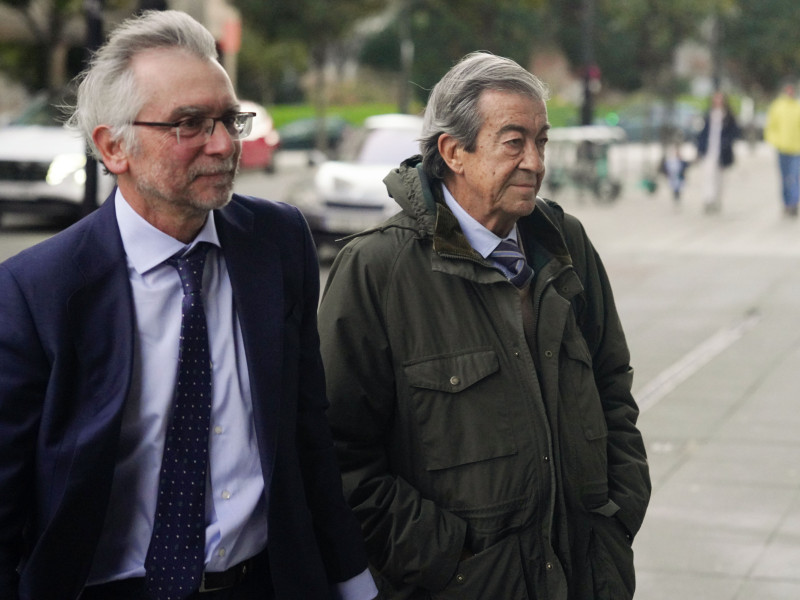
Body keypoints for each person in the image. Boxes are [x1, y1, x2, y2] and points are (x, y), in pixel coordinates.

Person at [0, 10, 377, 600]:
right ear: (113, 147)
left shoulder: (278, 242)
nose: (224, 143)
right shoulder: (35, 291)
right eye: (190, 124)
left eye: (230, 118)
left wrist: (352, 582)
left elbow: (307, 434)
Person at [317, 52, 651, 600]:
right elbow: (340, 454)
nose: (536, 162)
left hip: (586, 573)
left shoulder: (566, 243)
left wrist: (616, 515)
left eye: (541, 141)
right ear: (453, 151)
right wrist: (447, 556)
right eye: (513, 141)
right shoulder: (377, 269)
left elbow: (613, 387)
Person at [696, 90, 740, 213]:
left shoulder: (729, 117)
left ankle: (717, 199)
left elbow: (735, 133)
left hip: (723, 152)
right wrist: (699, 148)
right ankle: (708, 199)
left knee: (720, 178)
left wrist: (727, 143)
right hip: (709, 150)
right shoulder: (708, 115)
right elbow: (701, 134)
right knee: (708, 175)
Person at [764, 81, 800, 217]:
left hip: (796, 148)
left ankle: (793, 203)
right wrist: (775, 141)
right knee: (785, 177)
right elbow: (771, 126)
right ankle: (786, 202)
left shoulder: (798, 107)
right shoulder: (777, 106)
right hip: (782, 148)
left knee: (794, 177)